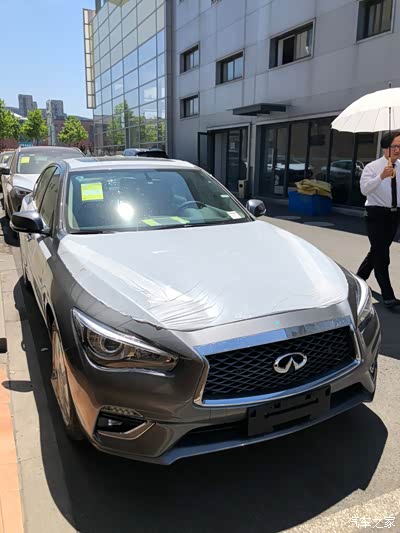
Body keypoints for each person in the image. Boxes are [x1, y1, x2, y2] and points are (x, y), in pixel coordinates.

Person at [357, 130, 400, 308]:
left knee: (377, 251)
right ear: (385, 148)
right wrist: (381, 176)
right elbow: (364, 190)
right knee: (382, 256)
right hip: (376, 214)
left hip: (394, 214)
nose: (397, 150)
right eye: (394, 146)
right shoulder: (372, 167)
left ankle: (358, 279)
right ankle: (388, 297)